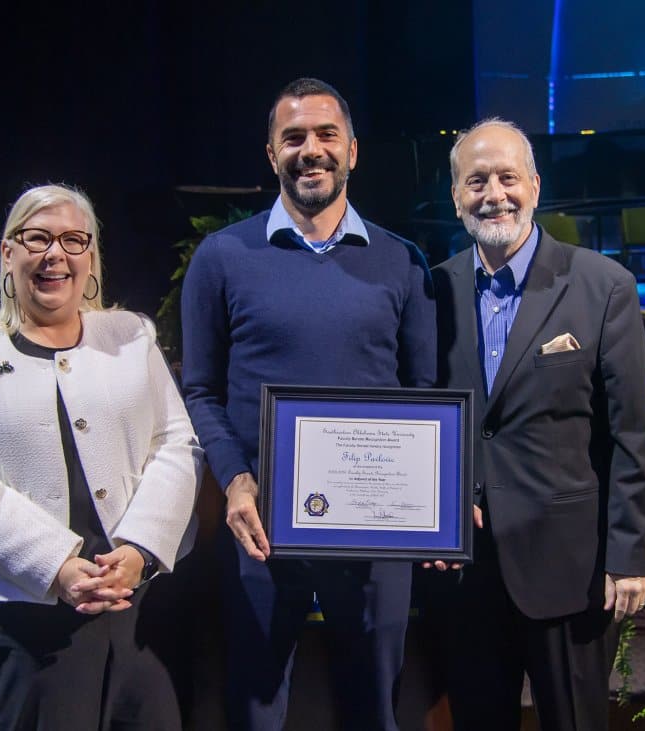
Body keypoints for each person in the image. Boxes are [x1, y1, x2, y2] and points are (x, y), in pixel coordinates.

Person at [180, 77, 435, 730]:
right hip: (262, 524)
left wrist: (430, 508)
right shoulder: (222, 257)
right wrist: (235, 480)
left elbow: (428, 396)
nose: (310, 149)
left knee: (374, 708)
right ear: (271, 154)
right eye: (293, 137)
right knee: (255, 708)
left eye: (326, 135)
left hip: (376, 529)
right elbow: (201, 390)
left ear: (353, 151)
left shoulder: (403, 262)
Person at [0, 184, 202, 730]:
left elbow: (177, 443)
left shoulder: (131, 335)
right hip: (23, 617)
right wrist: (56, 567)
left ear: (90, 257)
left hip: (137, 604)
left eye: (74, 240)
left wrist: (140, 550)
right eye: (38, 238)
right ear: (8, 253)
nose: (56, 255)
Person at [426, 118, 645, 730]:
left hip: (570, 570)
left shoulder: (604, 287)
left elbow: (631, 434)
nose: (493, 194)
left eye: (507, 177)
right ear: (456, 196)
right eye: (476, 181)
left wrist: (631, 553)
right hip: (467, 568)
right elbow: (423, 417)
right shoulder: (432, 291)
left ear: (534, 184)